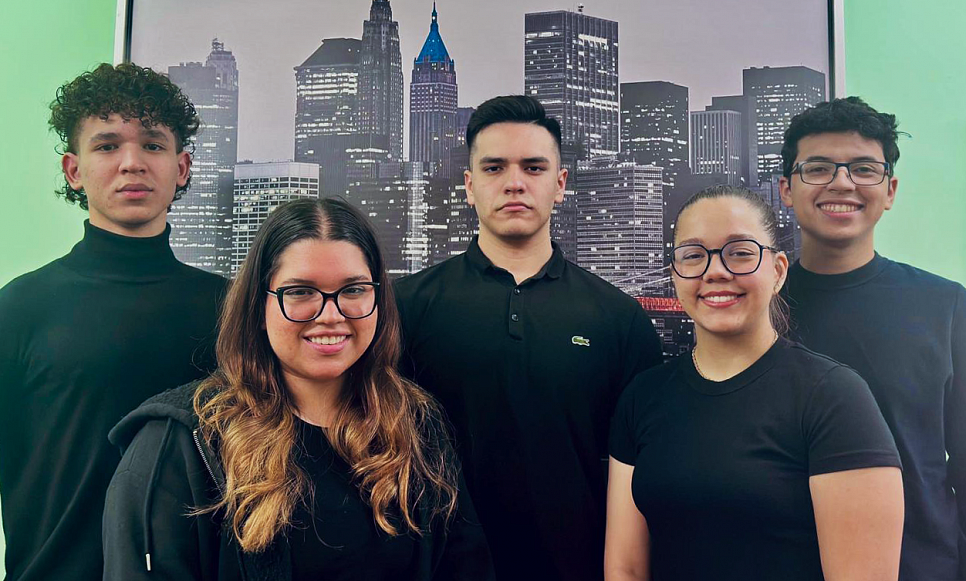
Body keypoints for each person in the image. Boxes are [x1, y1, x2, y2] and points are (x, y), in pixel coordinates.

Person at [102, 197, 493, 580]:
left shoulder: (415, 424)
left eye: (354, 290)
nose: (330, 315)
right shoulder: (181, 441)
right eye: (301, 292)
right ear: (259, 307)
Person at [395, 95, 664, 581]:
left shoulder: (619, 320)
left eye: (534, 167)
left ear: (560, 184)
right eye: (494, 167)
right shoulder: (405, 307)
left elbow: (646, 480)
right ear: (469, 186)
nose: (514, 182)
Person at [605, 184, 904, 581]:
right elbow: (624, 568)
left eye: (740, 253)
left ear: (778, 271)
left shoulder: (835, 398)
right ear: (675, 274)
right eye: (693, 255)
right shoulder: (643, 397)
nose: (715, 271)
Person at [0, 62, 226, 581]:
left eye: (152, 144)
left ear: (182, 167)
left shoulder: (230, 308)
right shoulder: (20, 308)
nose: (132, 163)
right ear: (73, 171)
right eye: (106, 146)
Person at [779, 97, 966, 580]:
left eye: (864, 169)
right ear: (786, 189)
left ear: (890, 190)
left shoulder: (946, 306)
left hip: (921, 568)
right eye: (818, 168)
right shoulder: (758, 309)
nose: (842, 183)